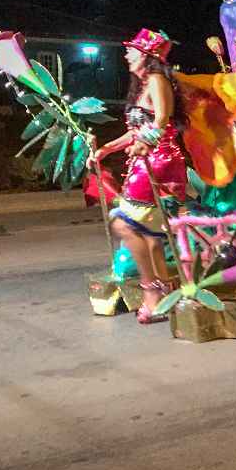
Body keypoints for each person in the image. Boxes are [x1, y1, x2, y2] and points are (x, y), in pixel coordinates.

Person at [89, 29, 187, 324]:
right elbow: (135, 130)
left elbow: (162, 120)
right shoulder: (143, 85)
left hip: (160, 160)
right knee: (150, 236)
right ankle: (167, 295)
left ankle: (152, 293)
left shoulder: (157, 81)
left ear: (148, 55)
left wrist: (145, 143)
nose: (126, 54)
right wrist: (106, 149)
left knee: (122, 223)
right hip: (146, 158)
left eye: (132, 50)